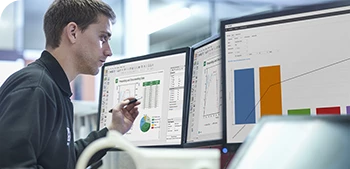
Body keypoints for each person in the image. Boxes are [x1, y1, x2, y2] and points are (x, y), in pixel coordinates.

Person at [0, 0, 140, 168]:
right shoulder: (35, 88)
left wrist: (112, 131)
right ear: (73, 32)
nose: (108, 51)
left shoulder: (54, 89)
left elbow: (63, 160)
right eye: (103, 38)